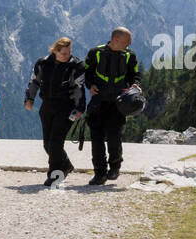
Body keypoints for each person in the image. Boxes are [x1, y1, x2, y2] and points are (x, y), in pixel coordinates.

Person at [82, 27, 140, 185]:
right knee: (97, 138)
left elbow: (135, 74)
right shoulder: (95, 53)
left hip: (118, 103)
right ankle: (99, 173)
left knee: (114, 136)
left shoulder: (129, 55)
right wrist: (90, 85)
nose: (129, 43)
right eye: (127, 41)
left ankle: (115, 168)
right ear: (116, 40)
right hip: (98, 102)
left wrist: (135, 85)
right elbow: (86, 73)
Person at [25, 38, 86, 186]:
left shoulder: (76, 65)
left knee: (55, 143)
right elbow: (34, 82)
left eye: (69, 52)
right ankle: (66, 164)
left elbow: (79, 88)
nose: (67, 56)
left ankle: (54, 174)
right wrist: (29, 99)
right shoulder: (43, 63)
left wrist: (79, 108)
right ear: (55, 50)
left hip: (67, 107)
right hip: (47, 106)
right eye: (63, 53)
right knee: (47, 144)